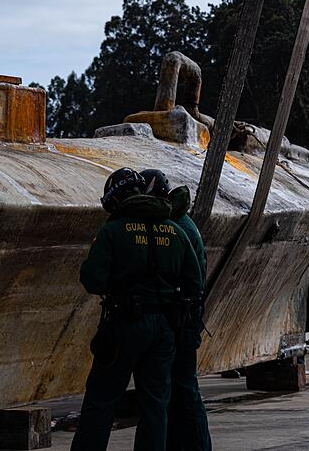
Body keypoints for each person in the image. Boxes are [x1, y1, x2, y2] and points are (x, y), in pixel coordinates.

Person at [71, 167, 203, 451]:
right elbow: (195, 281)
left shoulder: (113, 230)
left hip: (125, 325)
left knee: (101, 401)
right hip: (165, 329)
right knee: (156, 406)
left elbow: (92, 279)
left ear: (116, 200)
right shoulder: (175, 230)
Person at [140, 169, 211, 451]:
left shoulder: (176, 226)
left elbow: (192, 278)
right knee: (179, 387)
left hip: (181, 317)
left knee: (183, 386)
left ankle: (197, 446)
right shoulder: (181, 222)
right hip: (184, 315)